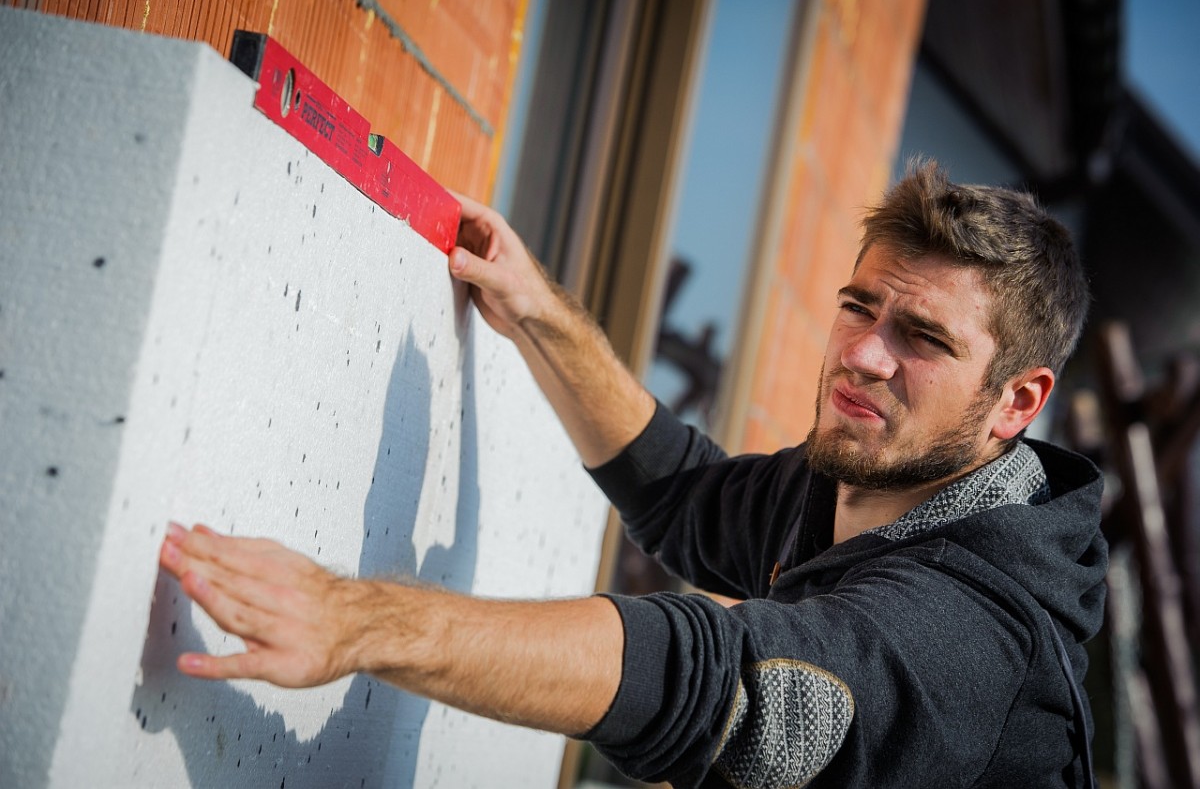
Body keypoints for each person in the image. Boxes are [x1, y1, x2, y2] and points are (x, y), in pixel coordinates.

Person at [158, 160, 1106, 787]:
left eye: (924, 338)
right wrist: (538, 315)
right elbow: (684, 492)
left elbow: (721, 678)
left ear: (1017, 402)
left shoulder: (976, 632)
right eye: (859, 307)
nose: (864, 354)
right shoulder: (864, 483)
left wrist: (355, 620)